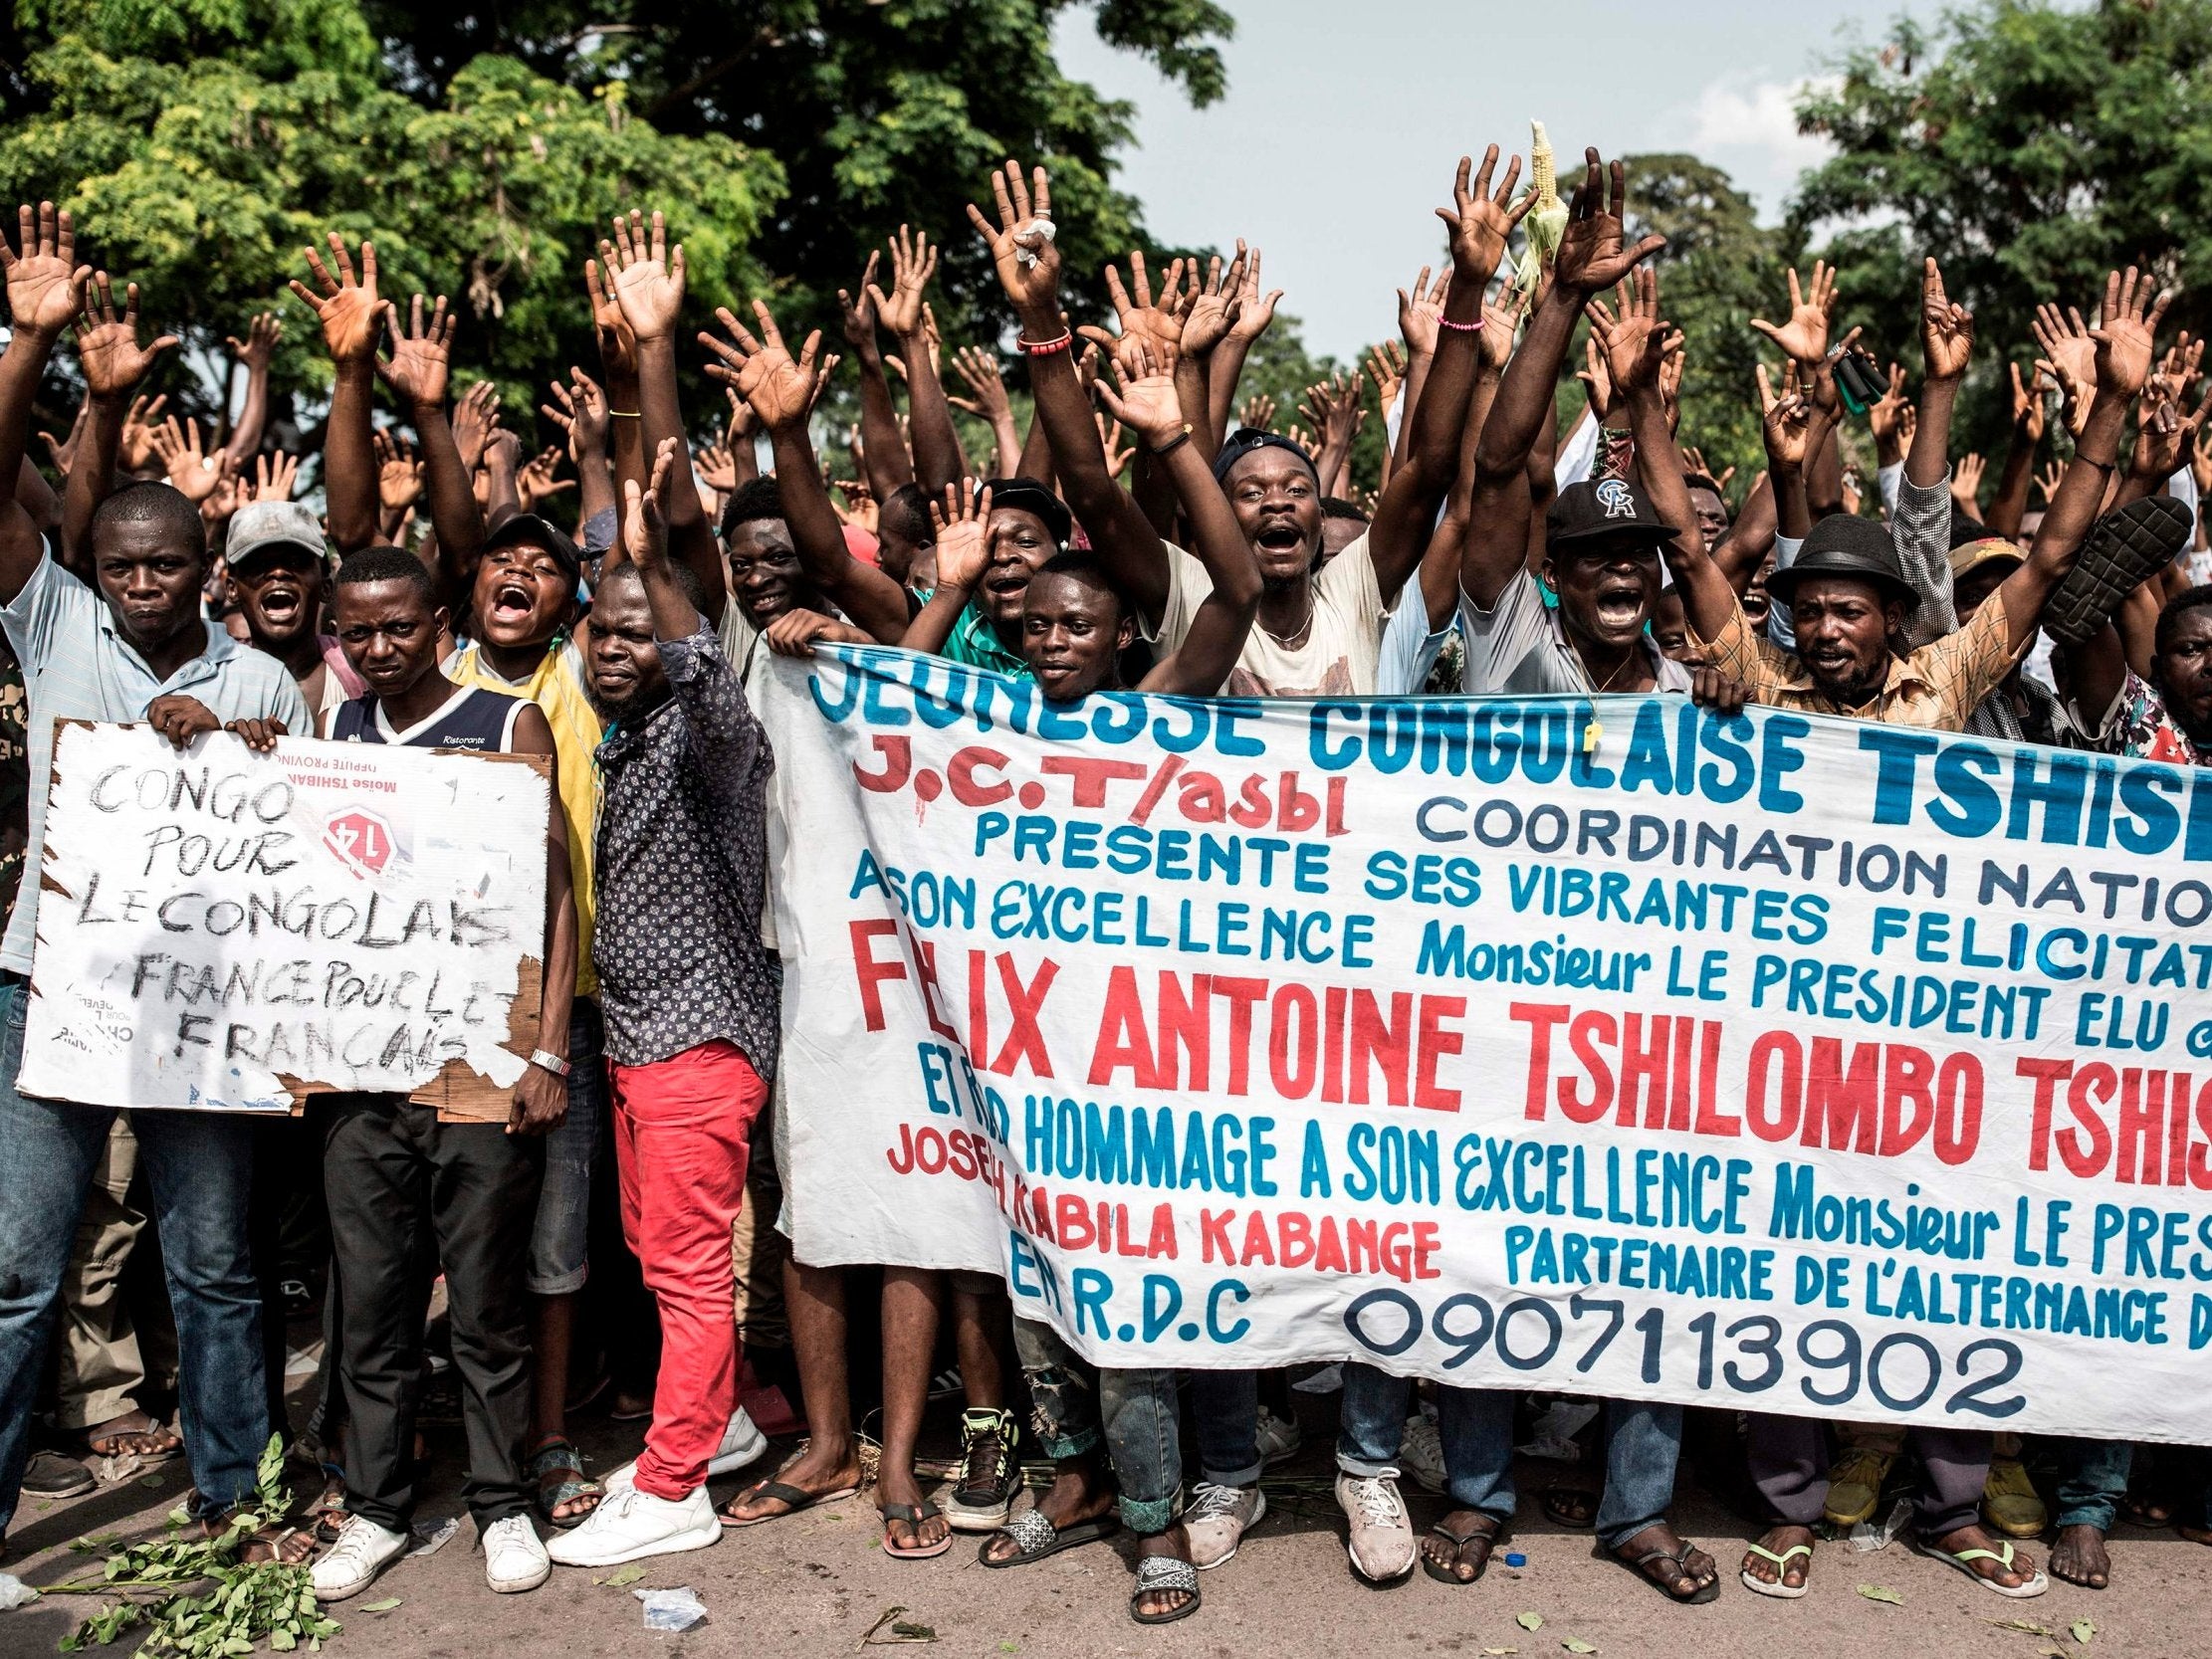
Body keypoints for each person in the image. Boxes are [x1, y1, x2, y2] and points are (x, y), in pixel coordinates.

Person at [1633, 263, 2168, 1600]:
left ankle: (1948, 1504)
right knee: (1787, 1270)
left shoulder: (1950, 677)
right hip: (1788, 1040)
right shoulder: (1756, 687)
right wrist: (1641, 404)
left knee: (1949, 1263)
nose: (1822, 627)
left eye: (1847, 609)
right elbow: (1694, 558)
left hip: (1940, 1037)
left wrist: (2103, 408)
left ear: (1890, 620)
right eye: (1807, 608)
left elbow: (2049, 559)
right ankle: (1792, 1504)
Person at [0, 205, 311, 1559]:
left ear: (209, 571)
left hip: (205, 1002)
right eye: (122, 563)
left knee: (216, 1265)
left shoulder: (258, 675)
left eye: (167, 563)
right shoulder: (53, 616)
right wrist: (37, 343)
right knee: (20, 1269)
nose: (140, 583)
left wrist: (238, 744)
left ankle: (233, 1496)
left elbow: (302, 828)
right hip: (48, 983)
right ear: (96, 569)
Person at [307, 545, 576, 1601]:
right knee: (370, 1302)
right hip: (362, 1075)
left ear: (438, 623)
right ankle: (375, 1508)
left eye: (398, 627)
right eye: (358, 631)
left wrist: (547, 1048)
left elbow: (557, 894)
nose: (378, 648)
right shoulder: (338, 732)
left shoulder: (505, 722)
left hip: (480, 1067)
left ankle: (502, 1499)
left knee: (484, 1301)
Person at [547, 440, 779, 1567]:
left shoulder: (711, 739)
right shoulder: (621, 740)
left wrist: (657, 576)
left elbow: (711, 681)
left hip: (699, 1042)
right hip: (638, 1045)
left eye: (640, 629)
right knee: (653, 1251)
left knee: (687, 1274)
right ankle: (720, 1421)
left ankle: (674, 1481)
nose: (617, 646)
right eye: (603, 628)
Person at [222, 498, 363, 720]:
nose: (278, 573)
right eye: (259, 565)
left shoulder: (362, 668)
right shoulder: (212, 678)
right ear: (232, 589)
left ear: (326, 587)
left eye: (297, 563)